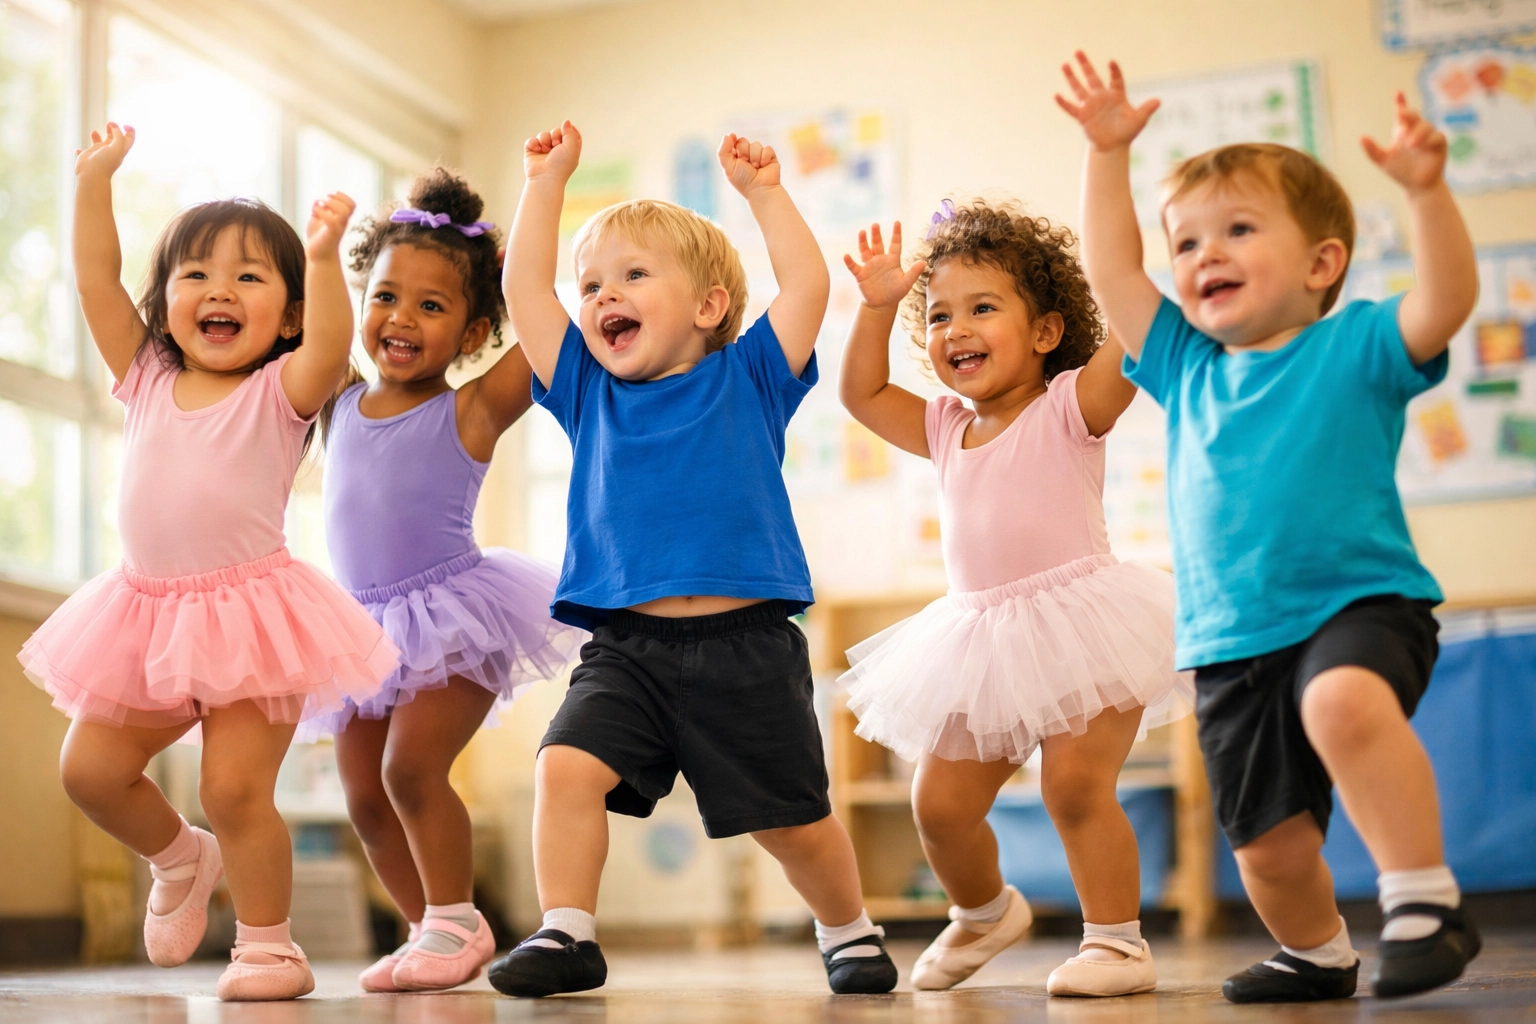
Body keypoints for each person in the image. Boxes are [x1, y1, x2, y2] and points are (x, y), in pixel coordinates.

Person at [1058, 52, 1481, 1001]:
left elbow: (1448, 300)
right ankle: (1319, 952)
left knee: (1342, 705)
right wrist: (1105, 153)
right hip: (1232, 639)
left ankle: (1424, 900)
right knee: (1266, 846)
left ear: (1321, 263)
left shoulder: (1360, 342)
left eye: (1239, 230)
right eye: (1190, 243)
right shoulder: (1182, 364)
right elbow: (1111, 267)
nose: (1205, 256)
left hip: (1363, 605)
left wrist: (1427, 193)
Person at [487, 121, 896, 998]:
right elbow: (524, 283)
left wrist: (764, 195)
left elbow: (807, 286)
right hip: (626, 650)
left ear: (709, 307)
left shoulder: (748, 377)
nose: (602, 297)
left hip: (746, 646)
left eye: (634, 276)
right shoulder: (583, 390)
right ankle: (568, 932)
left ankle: (848, 927)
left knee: (793, 823)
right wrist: (544, 182)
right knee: (564, 767)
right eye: (592, 284)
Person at [21, 123, 398, 1001]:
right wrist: (93, 184)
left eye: (248, 277)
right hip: (142, 612)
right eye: (195, 275)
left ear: (288, 314)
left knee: (236, 789)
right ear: (167, 301)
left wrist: (324, 255)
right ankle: (181, 857)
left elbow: (335, 350)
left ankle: (269, 947)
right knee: (88, 771)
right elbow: (92, 280)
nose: (217, 291)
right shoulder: (146, 374)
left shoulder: (283, 391)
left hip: (250, 616)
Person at [838, 208, 1190, 997]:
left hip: (1085, 625)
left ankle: (1117, 945)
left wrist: (1134, 263)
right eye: (937, 314)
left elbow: (1132, 338)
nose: (955, 327)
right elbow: (860, 394)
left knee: (1074, 787)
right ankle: (984, 911)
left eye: (982, 307)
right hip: (980, 640)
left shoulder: (1070, 406)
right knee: (939, 804)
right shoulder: (941, 427)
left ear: (1045, 331)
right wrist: (873, 304)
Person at [310, 167, 585, 993]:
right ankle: (429, 929)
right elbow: (317, 329)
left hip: (453, 615)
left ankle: (454, 919)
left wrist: (542, 190)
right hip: (360, 626)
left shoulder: (469, 407)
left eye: (433, 307)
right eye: (386, 297)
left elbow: (547, 333)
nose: (401, 319)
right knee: (363, 796)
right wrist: (324, 256)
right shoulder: (337, 400)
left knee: (408, 772)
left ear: (471, 335)